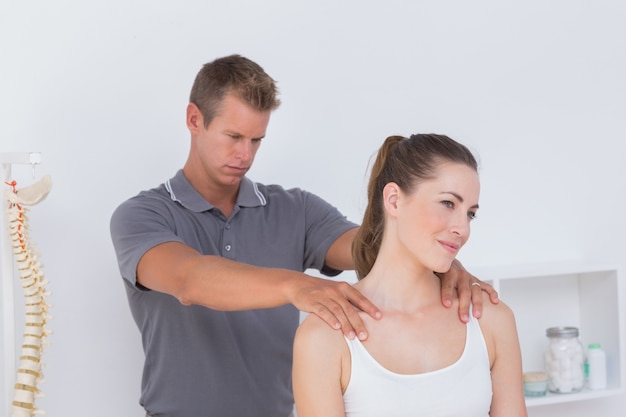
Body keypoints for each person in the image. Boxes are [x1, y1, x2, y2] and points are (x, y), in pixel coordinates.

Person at [109, 55, 498, 417]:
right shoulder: (141, 216)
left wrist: (441, 254)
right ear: (195, 119)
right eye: (233, 136)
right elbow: (188, 280)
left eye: (256, 140)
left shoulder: (294, 209)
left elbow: (373, 247)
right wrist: (298, 286)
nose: (244, 154)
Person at [293, 134, 527, 417]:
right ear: (393, 200)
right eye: (448, 204)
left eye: (470, 214)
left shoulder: (490, 319)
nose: (462, 229)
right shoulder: (324, 336)